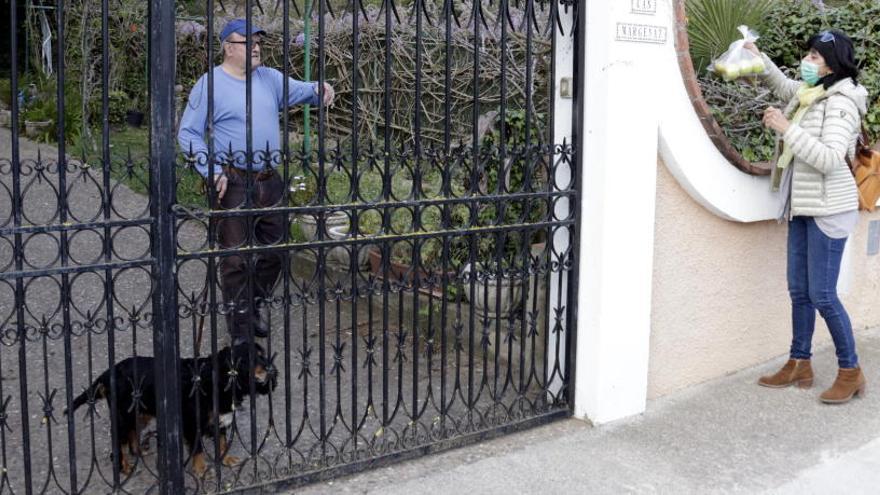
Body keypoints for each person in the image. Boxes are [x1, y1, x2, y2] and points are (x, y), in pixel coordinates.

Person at [178, 18, 335, 345]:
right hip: (232, 181)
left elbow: (304, 92)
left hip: (270, 181)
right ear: (228, 47)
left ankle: (252, 303)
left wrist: (321, 89)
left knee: (276, 251)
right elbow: (189, 133)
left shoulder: (269, 78)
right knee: (235, 258)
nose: (256, 47)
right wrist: (212, 171)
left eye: (258, 42)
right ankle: (241, 331)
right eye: (247, 42)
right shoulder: (209, 85)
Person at [745, 30, 868, 404]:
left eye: (815, 57)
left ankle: (851, 371)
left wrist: (786, 129)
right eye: (809, 55)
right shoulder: (813, 94)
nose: (808, 62)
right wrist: (757, 54)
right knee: (799, 291)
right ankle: (800, 362)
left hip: (830, 208)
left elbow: (831, 158)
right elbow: (785, 86)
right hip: (802, 205)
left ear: (833, 63)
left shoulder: (841, 103)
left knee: (823, 295)